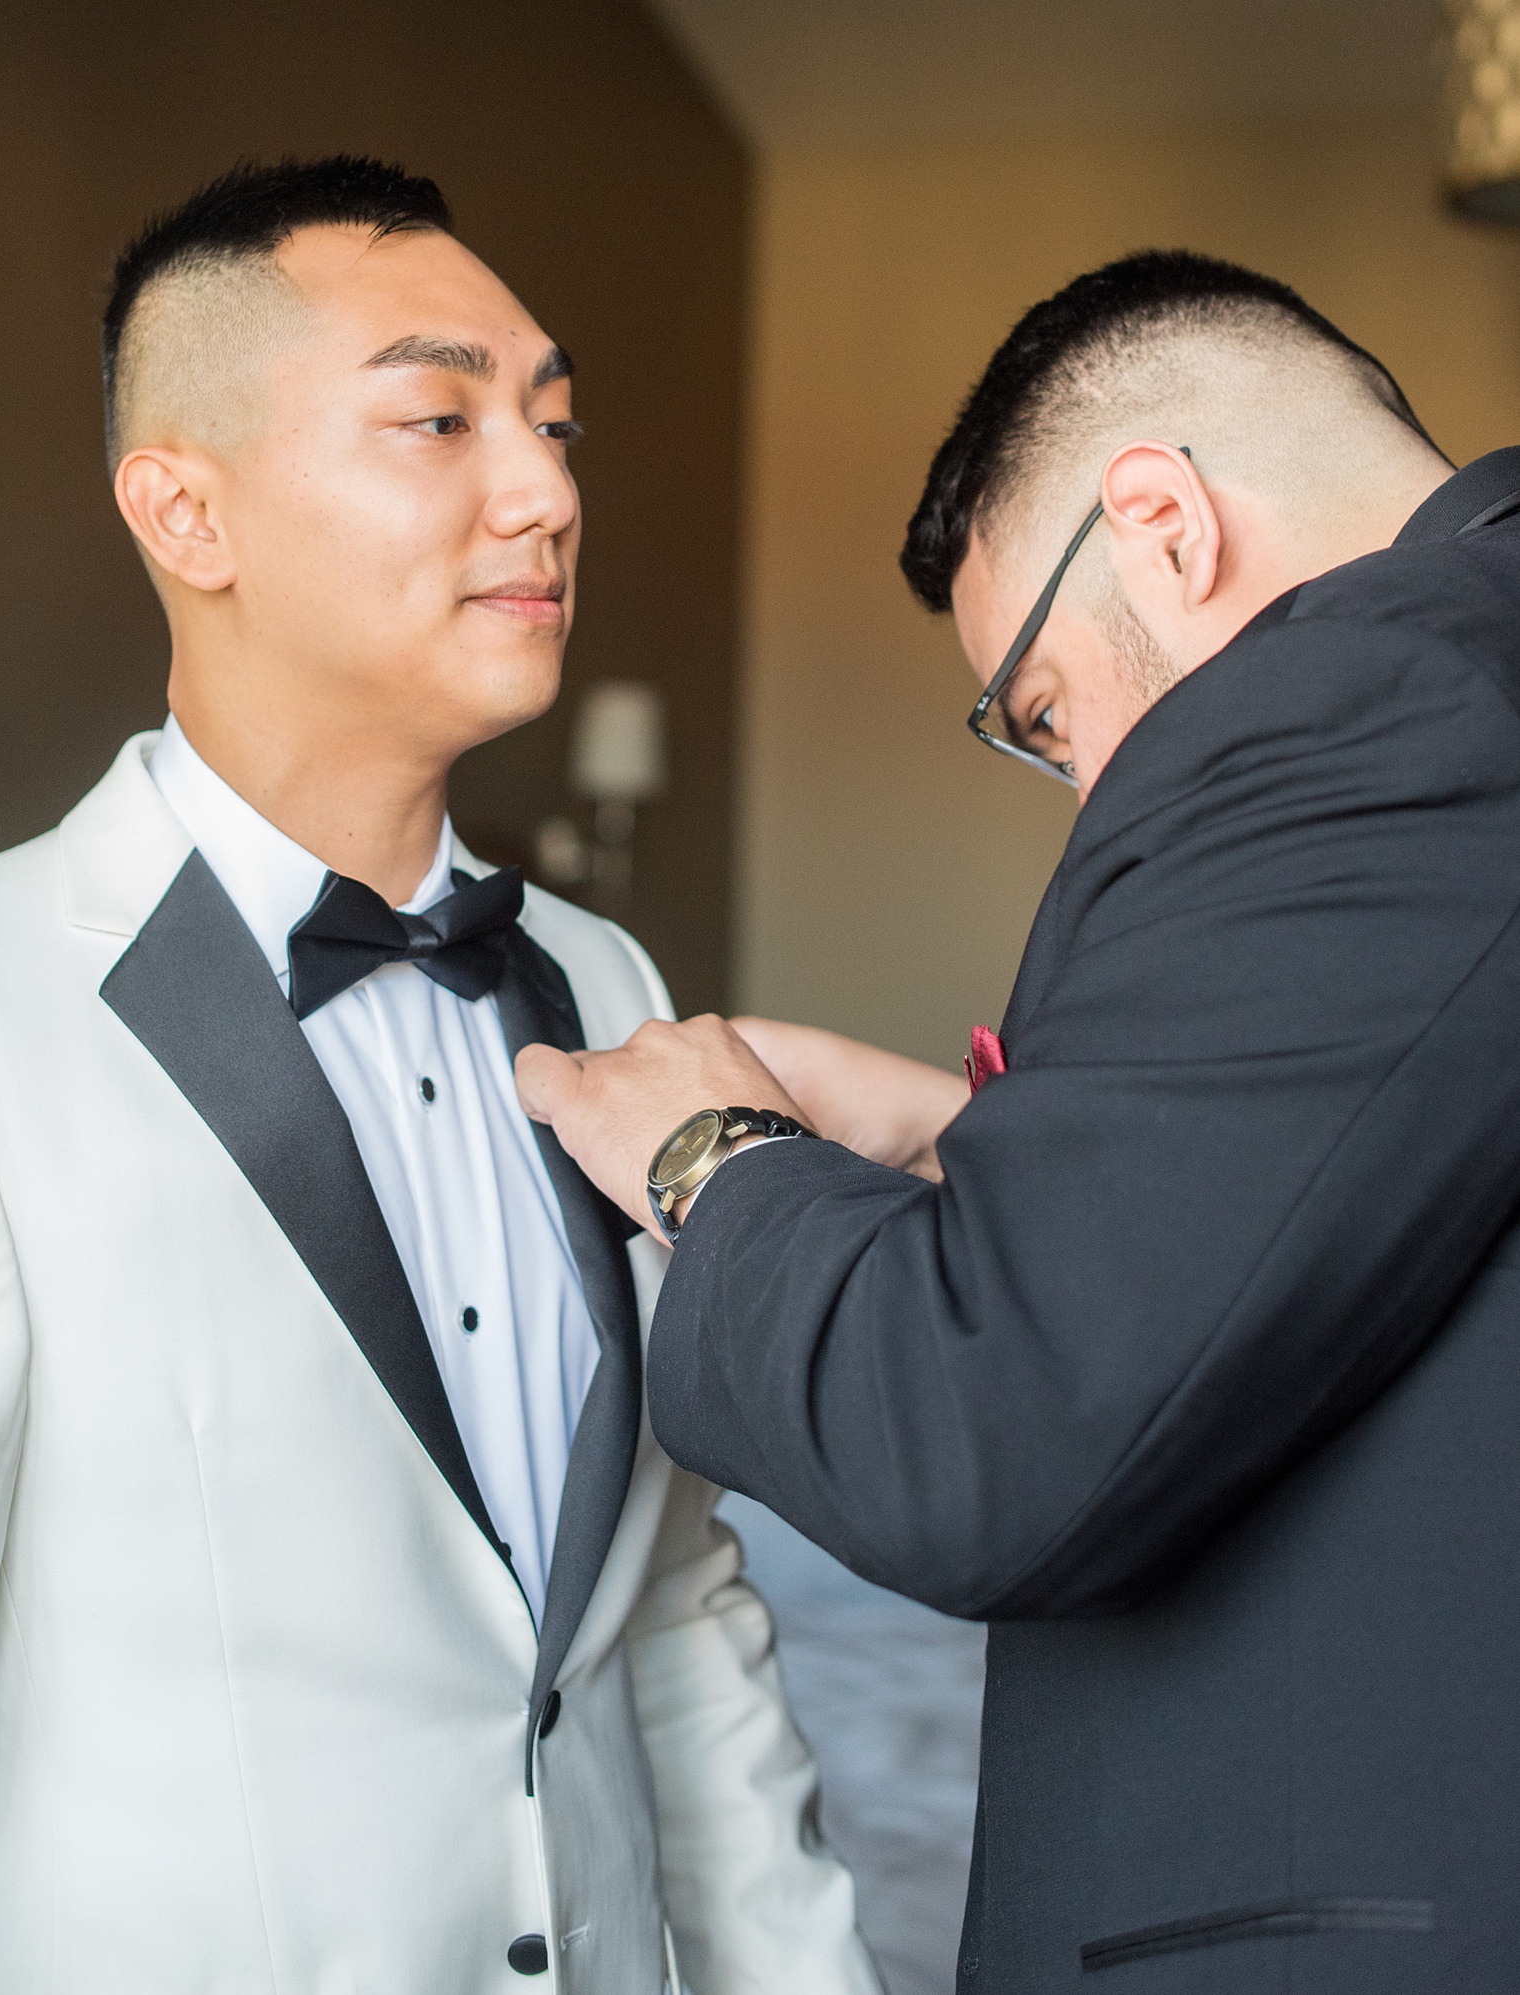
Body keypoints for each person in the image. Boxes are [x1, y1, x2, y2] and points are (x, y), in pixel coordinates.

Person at [0, 156, 878, 1995]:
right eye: (437, 419)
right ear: (185, 511)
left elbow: (676, 1619)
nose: (545, 489)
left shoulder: (603, 984)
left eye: (553, 423)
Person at [519, 250, 1520, 1989]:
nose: (1085, 802)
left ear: (1164, 524)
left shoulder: (1378, 698)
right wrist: (941, 1144)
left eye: (1045, 720)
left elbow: (998, 1438)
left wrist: (715, 1160)